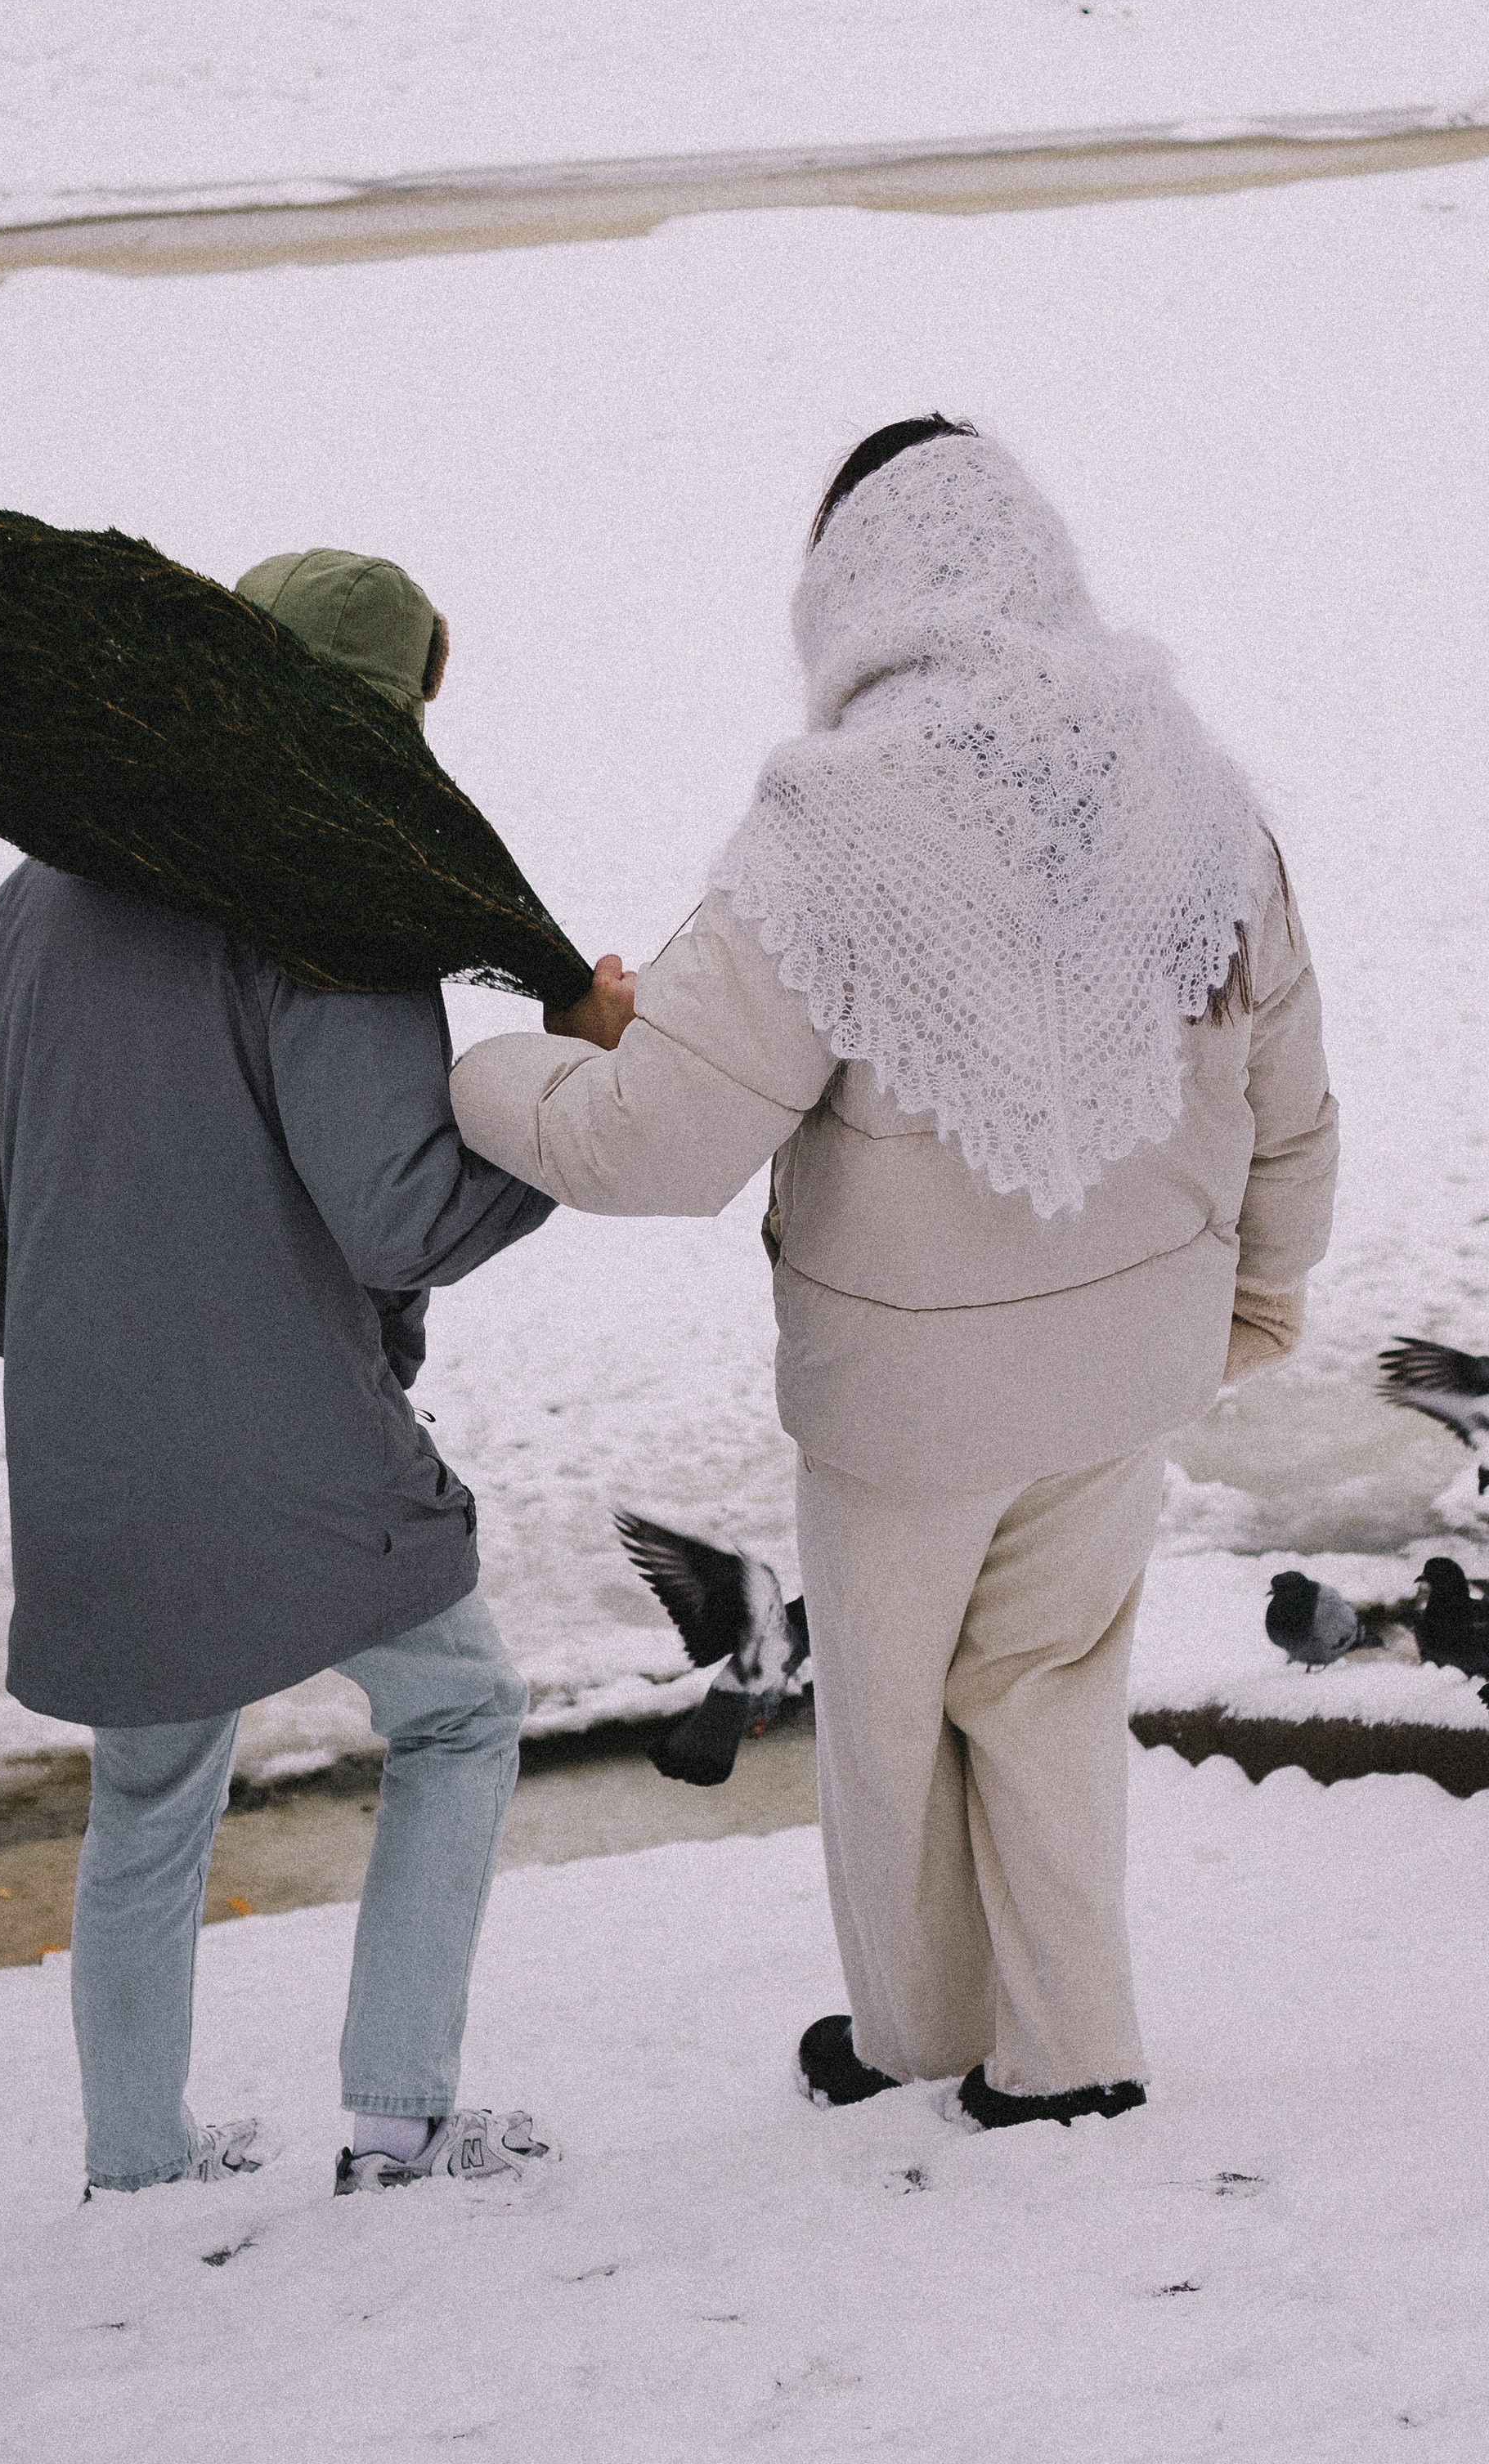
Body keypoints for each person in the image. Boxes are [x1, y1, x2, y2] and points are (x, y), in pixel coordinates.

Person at [451, 421, 1338, 2128]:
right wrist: (1261, 1294)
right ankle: (1072, 2051)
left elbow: (656, 1142)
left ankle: (919, 2037)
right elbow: (1288, 1090)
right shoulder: (1193, 784)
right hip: (1130, 1364)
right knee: (1048, 1690)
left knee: (884, 1721)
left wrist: (485, 1070)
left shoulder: (826, 828)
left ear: (846, 589)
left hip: (904, 1407)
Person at [0, 549, 576, 2200]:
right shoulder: (329, 906)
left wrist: (90, 1363)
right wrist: (566, 1118)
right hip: (299, 1457)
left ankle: (138, 2160)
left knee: (147, 1792)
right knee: (460, 1715)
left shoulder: (46, 887)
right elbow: (399, 1214)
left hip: (95, 1456)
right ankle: (399, 2115)